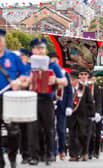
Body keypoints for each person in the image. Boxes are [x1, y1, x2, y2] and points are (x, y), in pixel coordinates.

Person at [28, 38, 67, 166]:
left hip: (47, 100)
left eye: (42, 48)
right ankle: (34, 155)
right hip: (32, 99)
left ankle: (48, 154)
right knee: (34, 128)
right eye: (38, 48)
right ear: (33, 50)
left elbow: (64, 82)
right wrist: (28, 80)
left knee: (48, 128)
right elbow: (21, 79)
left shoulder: (52, 65)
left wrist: (55, 79)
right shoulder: (28, 65)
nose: (40, 51)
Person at [0, 29, 27, 168]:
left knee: (13, 130)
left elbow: (24, 73)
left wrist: (18, 81)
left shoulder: (12, 57)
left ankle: (12, 157)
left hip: (10, 98)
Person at [48, 52, 73, 161]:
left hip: (61, 104)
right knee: (50, 129)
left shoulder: (63, 73)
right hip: (49, 103)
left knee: (61, 130)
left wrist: (69, 106)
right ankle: (53, 152)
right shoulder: (47, 73)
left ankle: (61, 150)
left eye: (55, 60)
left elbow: (69, 91)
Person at [67, 70, 94, 161]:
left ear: (77, 80)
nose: (71, 82)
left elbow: (90, 102)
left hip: (83, 115)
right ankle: (73, 155)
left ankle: (84, 152)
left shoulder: (84, 88)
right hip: (71, 115)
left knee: (83, 135)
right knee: (72, 135)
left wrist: (92, 114)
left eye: (73, 80)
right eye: (70, 80)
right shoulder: (68, 88)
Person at [18, 48, 32, 164]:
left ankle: (26, 154)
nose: (20, 58)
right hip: (14, 99)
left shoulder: (30, 67)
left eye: (22, 56)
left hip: (28, 100)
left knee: (26, 128)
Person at [88, 72, 103, 160]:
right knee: (90, 133)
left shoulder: (99, 89)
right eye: (91, 79)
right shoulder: (86, 88)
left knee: (97, 134)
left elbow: (100, 102)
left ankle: (96, 152)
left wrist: (101, 114)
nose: (93, 81)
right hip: (89, 114)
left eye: (94, 79)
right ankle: (89, 151)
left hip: (98, 114)